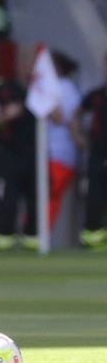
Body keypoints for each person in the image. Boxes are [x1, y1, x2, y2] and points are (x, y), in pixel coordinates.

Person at [0, 46, 38, 251]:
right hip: (10, 154)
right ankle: (4, 241)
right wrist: (9, 115)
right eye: (28, 62)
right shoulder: (5, 90)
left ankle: (32, 241)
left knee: (35, 201)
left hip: (35, 154)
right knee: (8, 199)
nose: (30, 67)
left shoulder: (42, 91)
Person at [46, 50, 81, 236]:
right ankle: (37, 236)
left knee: (49, 198)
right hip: (50, 153)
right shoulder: (56, 87)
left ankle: (40, 237)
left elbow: (62, 118)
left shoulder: (65, 88)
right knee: (43, 198)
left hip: (60, 154)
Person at [76, 51, 107, 249]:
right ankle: (93, 240)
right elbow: (76, 114)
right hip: (98, 154)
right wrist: (77, 136)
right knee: (94, 199)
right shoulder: (96, 96)